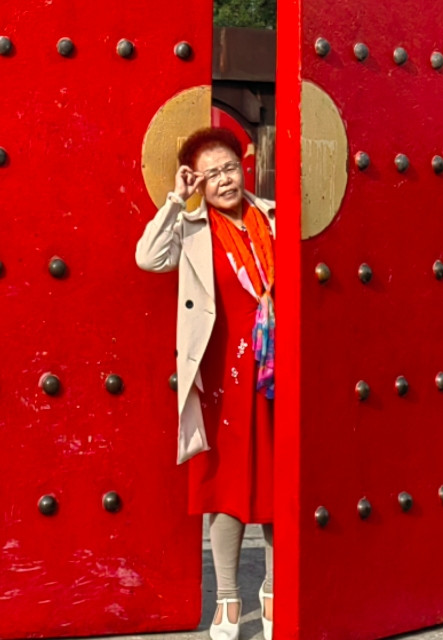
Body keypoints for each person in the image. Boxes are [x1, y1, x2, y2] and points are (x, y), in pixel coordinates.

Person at [135, 127, 275, 640]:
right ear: (197, 181)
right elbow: (148, 257)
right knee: (225, 484)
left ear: (244, 167)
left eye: (230, 168)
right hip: (219, 373)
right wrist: (177, 199)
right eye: (211, 174)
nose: (224, 180)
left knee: (277, 479)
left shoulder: (274, 218)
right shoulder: (193, 227)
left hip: (273, 368)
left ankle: (275, 590)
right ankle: (229, 598)